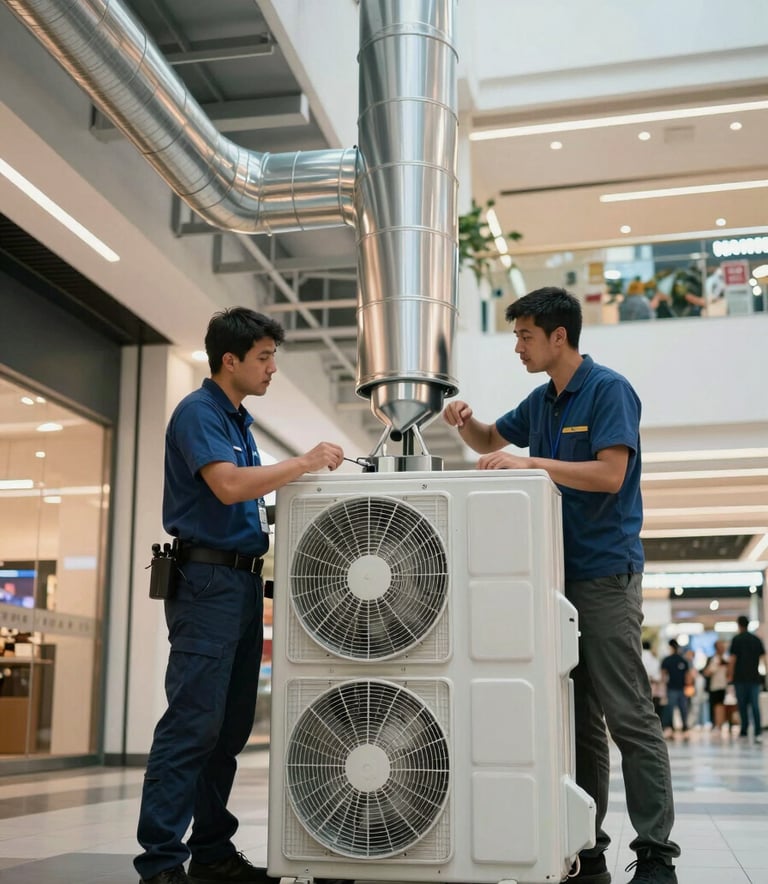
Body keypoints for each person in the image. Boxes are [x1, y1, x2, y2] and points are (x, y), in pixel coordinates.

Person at [442, 287, 680, 884]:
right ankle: (586, 841)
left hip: (604, 574)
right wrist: (466, 423)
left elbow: (609, 473)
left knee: (628, 715)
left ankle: (654, 852)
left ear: (559, 336)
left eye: (525, 335)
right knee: (577, 720)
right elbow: (491, 441)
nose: (517, 346)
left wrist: (534, 464)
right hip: (552, 578)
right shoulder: (541, 401)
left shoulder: (608, 391)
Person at [134, 308, 346, 884]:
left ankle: (210, 851)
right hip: (207, 585)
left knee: (227, 730)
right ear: (231, 360)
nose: (272, 367)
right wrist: (302, 463)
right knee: (192, 725)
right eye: (264, 357)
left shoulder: (237, 421)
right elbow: (227, 486)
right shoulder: (200, 413)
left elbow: (248, 495)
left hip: (243, 583)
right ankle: (159, 863)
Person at [727, 615, 767, 744]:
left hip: (740, 678)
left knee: (742, 705)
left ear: (739, 625)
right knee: (755, 706)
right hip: (754, 678)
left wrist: (730, 675)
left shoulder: (736, 640)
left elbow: (732, 660)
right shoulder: (756, 640)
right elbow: (764, 659)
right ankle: (757, 732)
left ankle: (744, 731)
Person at [660, 640, 691, 736]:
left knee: (680, 708)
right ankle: (671, 726)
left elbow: (663, 675)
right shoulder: (669, 660)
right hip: (673, 688)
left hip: (678, 688)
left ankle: (682, 726)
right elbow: (664, 675)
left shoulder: (682, 660)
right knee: (674, 708)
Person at [702, 640, 730, 735]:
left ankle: (720, 724)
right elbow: (706, 672)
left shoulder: (727, 659)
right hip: (713, 686)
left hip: (723, 686)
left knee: (721, 705)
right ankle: (715, 723)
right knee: (714, 705)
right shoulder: (712, 659)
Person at [641, 640, 665, 722]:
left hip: (641, 685)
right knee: (652, 707)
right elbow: (657, 675)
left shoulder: (639, 657)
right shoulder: (654, 659)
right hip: (654, 685)